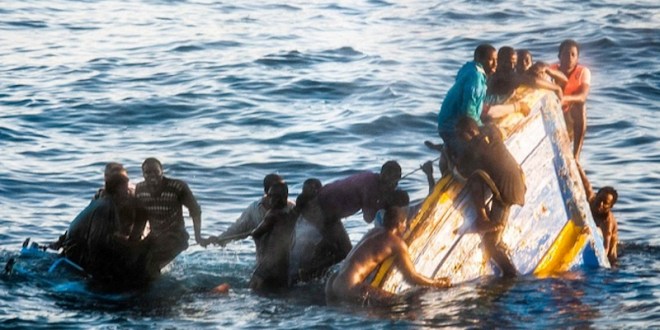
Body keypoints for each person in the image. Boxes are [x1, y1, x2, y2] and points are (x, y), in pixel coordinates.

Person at [325, 206, 450, 306]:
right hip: (350, 286)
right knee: (398, 303)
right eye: (405, 223)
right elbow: (411, 277)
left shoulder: (373, 232)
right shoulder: (396, 243)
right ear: (399, 224)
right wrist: (437, 283)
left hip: (333, 282)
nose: (405, 227)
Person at [453, 117, 526, 277]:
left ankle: (511, 276)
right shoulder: (492, 133)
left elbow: (461, 172)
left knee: (490, 244)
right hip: (518, 183)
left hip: (507, 194)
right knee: (496, 237)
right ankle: (501, 245)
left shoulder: (474, 149)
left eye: (461, 135)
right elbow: (493, 126)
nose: (459, 139)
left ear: (471, 132)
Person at [61, 165, 154, 285]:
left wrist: (135, 243)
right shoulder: (103, 202)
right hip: (81, 249)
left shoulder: (134, 198)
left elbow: (142, 223)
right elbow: (94, 239)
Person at [316, 160, 403, 262]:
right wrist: (385, 201)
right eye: (393, 180)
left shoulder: (370, 178)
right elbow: (368, 218)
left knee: (336, 247)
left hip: (324, 208)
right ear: (384, 175)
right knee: (345, 253)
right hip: (323, 212)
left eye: (397, 181)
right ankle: (312, 273)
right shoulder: (371, 187)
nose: (395, 185)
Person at [135, 157, 206, 270]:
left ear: (162, 171)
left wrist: (198, 237)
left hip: (176, 237)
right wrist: (135, 240)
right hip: (155, 237)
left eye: (156, 172)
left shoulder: (177, 187)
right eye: (148, 173)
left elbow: (195, 211)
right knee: (134, 258)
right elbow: (140, 217)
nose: (152, 176)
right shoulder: (139, 189)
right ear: (143, 174)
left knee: (152, 265)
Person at [205, 173, 294, 247]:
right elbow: (237, 229)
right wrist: (219, 239)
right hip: (263, 260)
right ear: (267, 192)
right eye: (277, 193)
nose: (281, 196)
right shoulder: (254, 210)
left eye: (284, 190)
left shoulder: (292, 208)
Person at [249, 181, 298, 291]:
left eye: (271, 196)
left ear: (281, 197)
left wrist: (253, 232)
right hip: (283, 266)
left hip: (268, 265)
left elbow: (257, 233)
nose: (269, 199)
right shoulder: (291, 214)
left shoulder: (272, 214)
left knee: (254, 290)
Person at [547, 39, 591, 160]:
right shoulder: (551, 70)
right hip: (552, 114)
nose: (569, 58)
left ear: (577, 58)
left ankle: (576, 156)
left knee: (580, 106)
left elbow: (582, 96)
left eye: (573, 55)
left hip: (569, 119)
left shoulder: (583, 72)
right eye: (566, 54)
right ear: (559, 56)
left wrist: (564, 99)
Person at [578, 165, 619, 265]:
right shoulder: (591, 199)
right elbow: (584, 180)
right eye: (600, 199)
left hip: (610, 251)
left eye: (605, 203)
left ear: (610, 207)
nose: (600, 204)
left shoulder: (607, 222)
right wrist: (575, 160)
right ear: (596, 195)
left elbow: (605, 249)